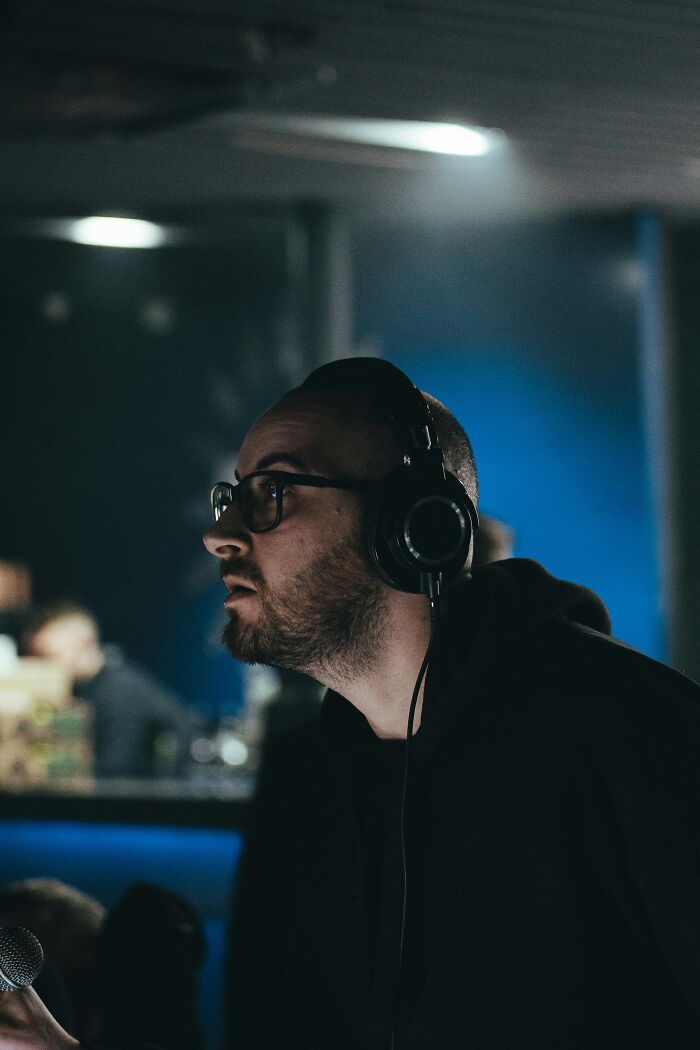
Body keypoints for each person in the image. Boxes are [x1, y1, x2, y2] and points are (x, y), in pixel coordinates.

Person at [3, 355, 700, 1050]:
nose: (221, 534)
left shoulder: (637, 737)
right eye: (232, 496)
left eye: (273, 491)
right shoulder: (319, 781)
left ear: (414, 526)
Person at [23, 604, 196, 778]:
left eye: (48, 656)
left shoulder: (119, 691)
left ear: (84, 645)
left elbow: (115, 772)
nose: (42, 667)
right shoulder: (90, 687)